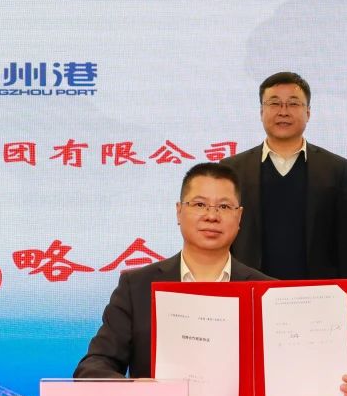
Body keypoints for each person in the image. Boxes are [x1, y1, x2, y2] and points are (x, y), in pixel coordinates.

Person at [74, 162, 271, 379]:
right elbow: (92, 367)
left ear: (239, 216)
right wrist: (134, 389)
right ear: (179, 211)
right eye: (199, 204)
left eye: (224, 207)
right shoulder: (136, 287)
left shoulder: (267, 292)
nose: (211, 216)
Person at [220, 72, 347, 280]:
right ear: (261, 111)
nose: (283, 112)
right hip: (249, 288)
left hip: (318, 291)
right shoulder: (233, 169)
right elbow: (221, 236)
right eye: (274, 103)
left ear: (308, 113)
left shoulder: (335, 168)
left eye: (293, 104)